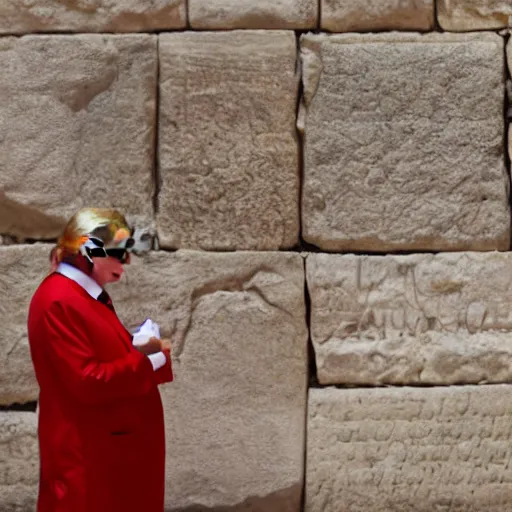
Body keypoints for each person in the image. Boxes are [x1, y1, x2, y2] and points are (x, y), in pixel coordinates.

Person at [27, 208, 173, 512]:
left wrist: (136, 347)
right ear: (90, 250)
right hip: (89, 458)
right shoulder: (60, 300)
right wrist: (150, 362)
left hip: (106, 456)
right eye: (119, 253)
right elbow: (87, 380)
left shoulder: (80, 295)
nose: (127, 261)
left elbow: (94, 352)